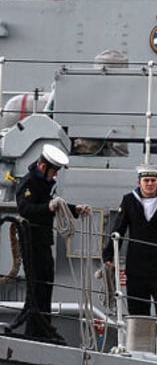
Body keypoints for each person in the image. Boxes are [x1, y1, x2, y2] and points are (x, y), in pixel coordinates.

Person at [15, 144, 91, 340]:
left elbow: (58, 205)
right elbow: (25, 209)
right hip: (31, 240)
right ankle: (34, 329)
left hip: (43, 240)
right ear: (43, 167)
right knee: (36, 285)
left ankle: (43, 325)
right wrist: (48, 207)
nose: (55, 175)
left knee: (46, 282)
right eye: (54, 170)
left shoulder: (45, 183)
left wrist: (76, 209)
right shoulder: (29, 183)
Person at [102, 166, 157, 320]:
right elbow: (118, 230)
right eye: (146, 180)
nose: (149, 184)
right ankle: (139, 343)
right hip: (136, 264)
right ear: (139, 182)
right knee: (137, 311)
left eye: (153, 180)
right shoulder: (129, 200)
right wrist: (109, 255)